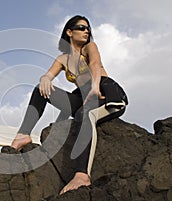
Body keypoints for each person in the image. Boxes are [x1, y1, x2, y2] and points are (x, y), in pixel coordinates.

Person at [10, 15, 128, 195]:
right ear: (69, 32)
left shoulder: (89, 47)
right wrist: (44, 79)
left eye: (88, 28)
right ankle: (23, 135)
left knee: (85, 115)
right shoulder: (63, 59)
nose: (86, 31)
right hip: (83, 97)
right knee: (40, 89)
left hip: (104, 92)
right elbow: (47, 77)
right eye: (82, 27)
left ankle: (82, 175)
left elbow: (95, 64)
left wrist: (95, 86)